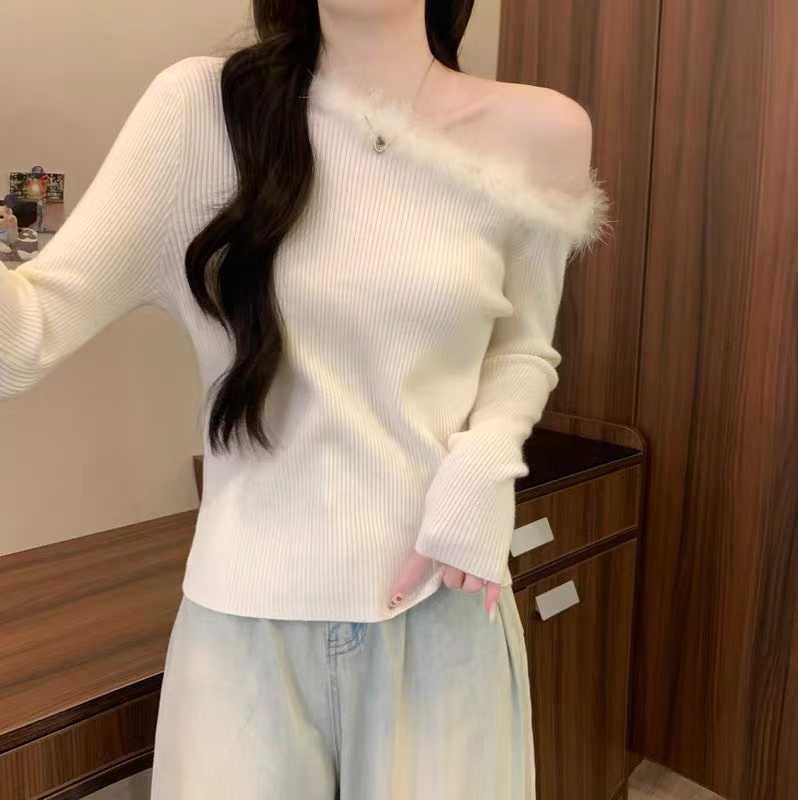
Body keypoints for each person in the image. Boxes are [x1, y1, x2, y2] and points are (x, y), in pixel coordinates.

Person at [0, 1, 611, 797]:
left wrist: (487, 458)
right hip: (244, 639)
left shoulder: (539, 133)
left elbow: (524, 345)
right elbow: (26, 337)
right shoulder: (203, 112)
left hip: (444, 613)